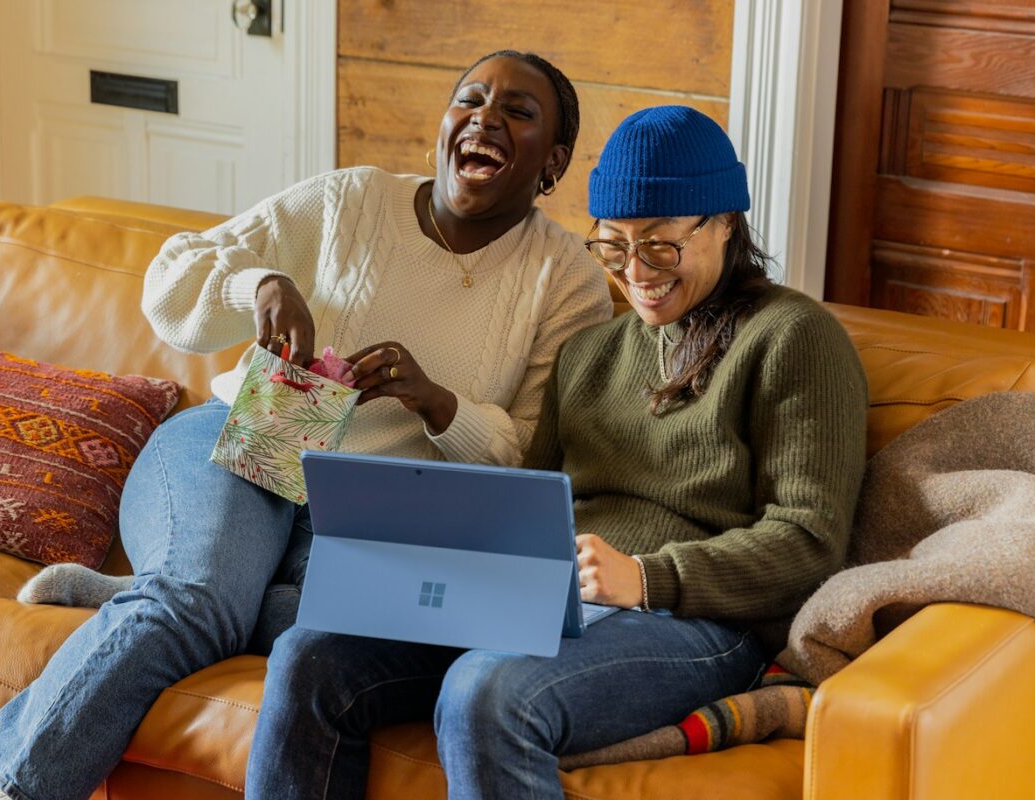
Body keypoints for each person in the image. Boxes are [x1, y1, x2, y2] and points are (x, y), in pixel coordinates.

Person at [0, 50, 613, 800]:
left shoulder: (567, 278)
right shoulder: (354, 201)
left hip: (375, 515)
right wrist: (262, 284)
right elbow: (170, 281)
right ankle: (23, 785)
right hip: (240, 445)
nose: (485, 119)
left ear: (553, 160)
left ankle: (145, 592)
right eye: (470, 99)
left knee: (344, 625)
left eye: (518, 111)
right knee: (201, 602)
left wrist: (436, 401)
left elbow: (530, 454)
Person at [246, 105, 869, 799]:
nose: (635, 272)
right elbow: (528, 502)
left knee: (488, 692)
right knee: (309, 654)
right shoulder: (588, 353)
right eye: (613, 245)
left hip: (695, 622)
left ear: (725, 221)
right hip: (547, 601)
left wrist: (647, 577)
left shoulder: (794, 337)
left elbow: (809, 541)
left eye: (660, 245)